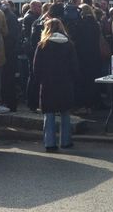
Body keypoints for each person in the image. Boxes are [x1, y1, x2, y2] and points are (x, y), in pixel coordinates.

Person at [33, 18, 79, 152]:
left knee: (49, 113)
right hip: (65, 82)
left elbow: (36, 67)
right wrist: (74, 79)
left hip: (48, 82)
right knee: (65, 113)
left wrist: (39, 80)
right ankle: (66, 141)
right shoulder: (69, 44)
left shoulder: (42, 44)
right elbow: (74, 66)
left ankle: (50, 143)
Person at [74, 4, 102, 112]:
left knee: (84, 81)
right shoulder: (95, 23)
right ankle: (93, 104)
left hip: (83, 56)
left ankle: (85, 105)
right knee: (93, 80)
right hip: (94, 55)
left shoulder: (80, 24)